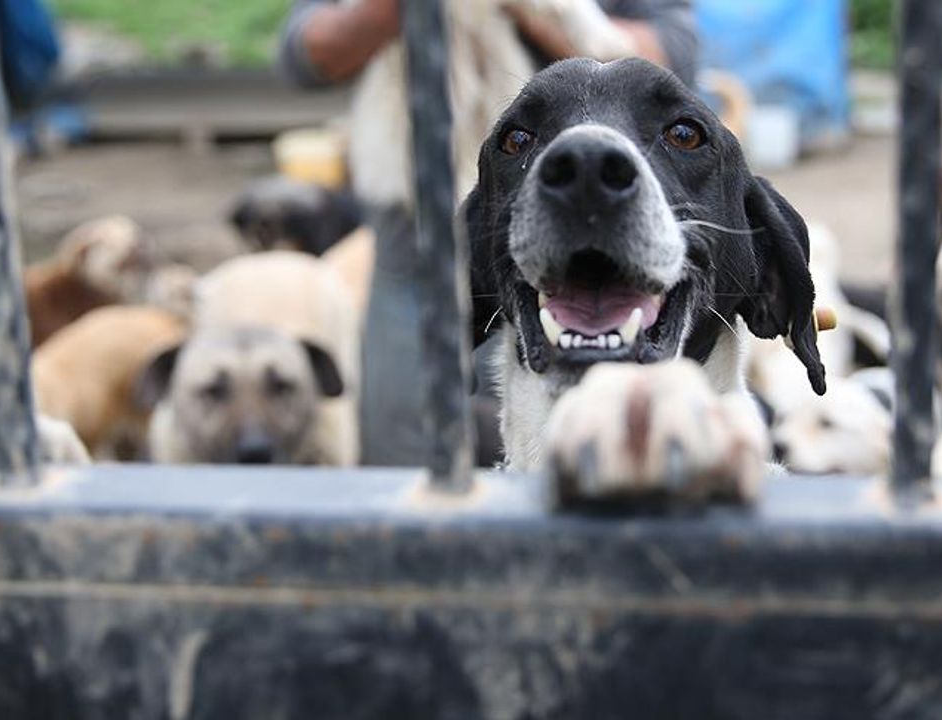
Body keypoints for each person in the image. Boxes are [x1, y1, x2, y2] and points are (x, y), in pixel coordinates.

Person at [278, 0, 698, 466]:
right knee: (404, 458)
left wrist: (536, 8)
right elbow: (305, 54)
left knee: (566, 456)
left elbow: (670, 58)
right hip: (412, 240)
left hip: (575, 241)